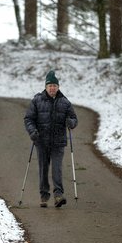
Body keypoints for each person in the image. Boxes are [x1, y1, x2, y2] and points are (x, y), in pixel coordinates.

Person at [24, 70, 78, 207]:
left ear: (58, 87)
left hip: (58, 142)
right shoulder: (37, 100)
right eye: (50, 86)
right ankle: (44, 195)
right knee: (43, 169)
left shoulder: (65, 103)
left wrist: (71, 123)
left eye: (54, 85)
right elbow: (28, 119)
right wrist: (32, 131)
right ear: (46, 87)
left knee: (57, 169)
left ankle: (58, 195)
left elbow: (74, 119)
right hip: (41, 141)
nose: (52, 88)